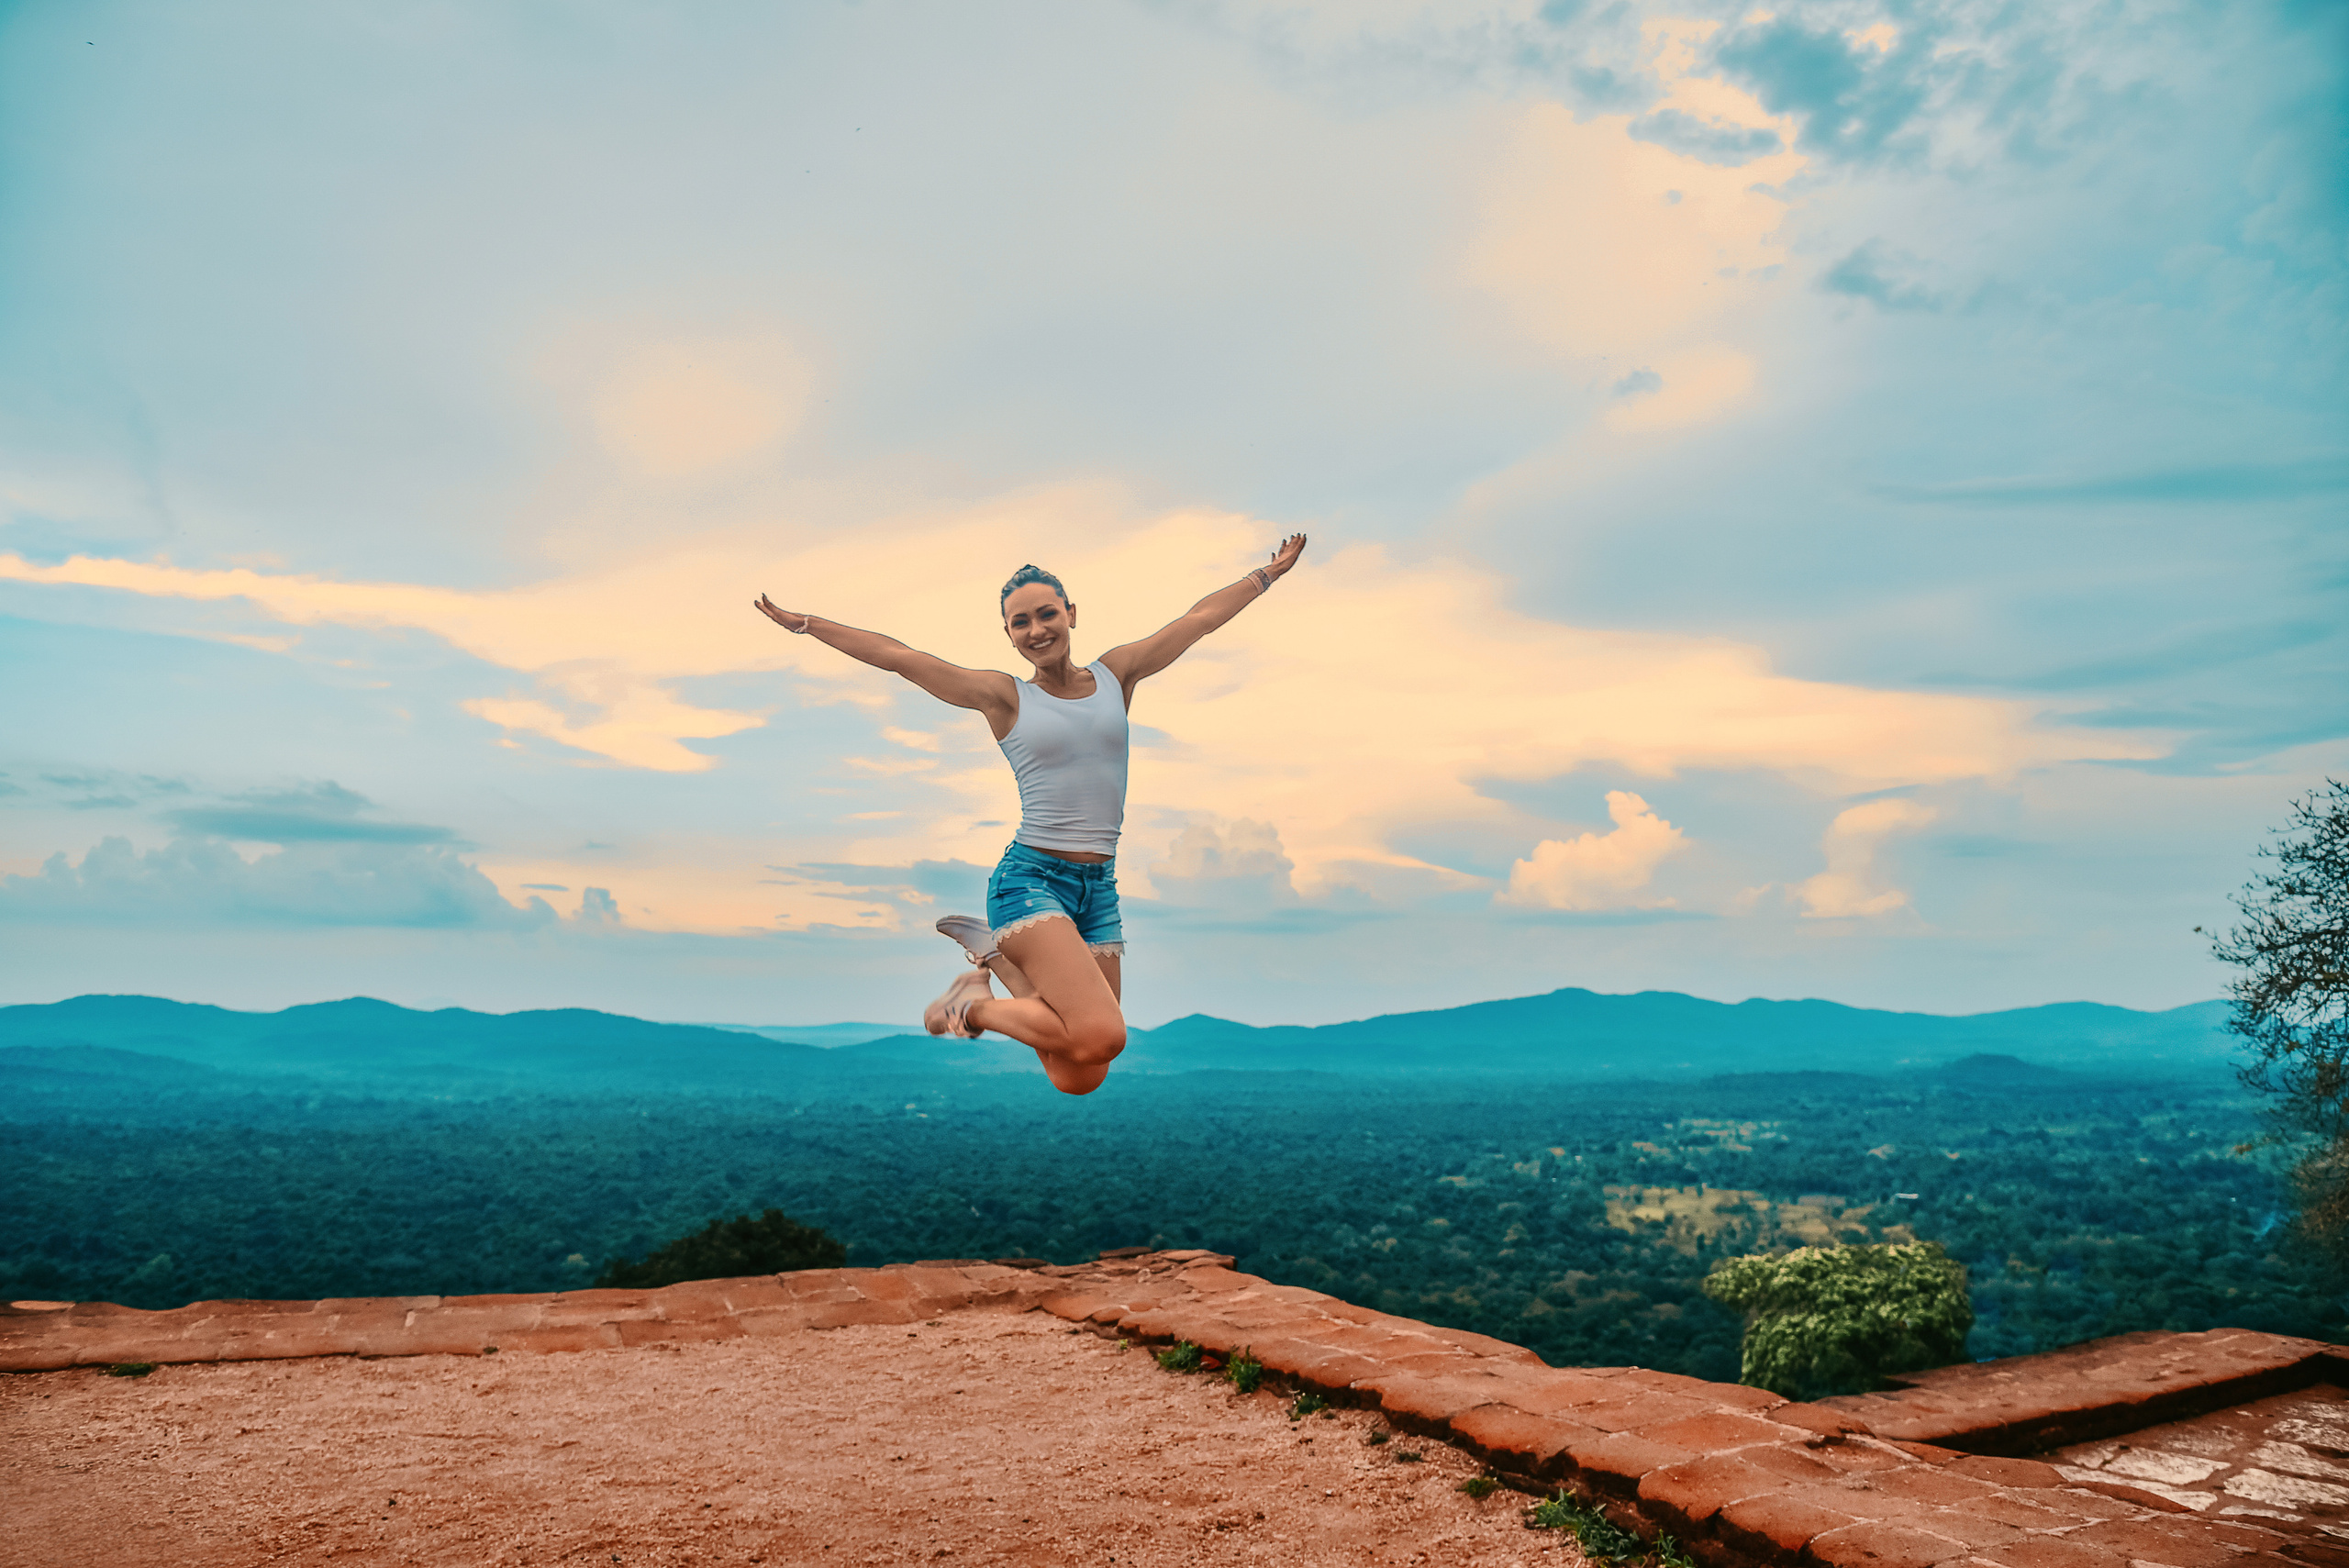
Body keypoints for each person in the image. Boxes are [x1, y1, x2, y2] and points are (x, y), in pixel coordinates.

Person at [753, 535, 1307, 1095]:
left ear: (1071, 614)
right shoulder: (1005, 697)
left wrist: (1267, 576)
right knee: (1103, 1035)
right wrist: (807, 624)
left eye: (1047, 614)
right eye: (1021, 622)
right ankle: (970, 1008)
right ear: (1009, 635)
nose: (1037, 630)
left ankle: (994, 960)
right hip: (1030, 882)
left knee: (1079, 1073)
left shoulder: (1117, 675)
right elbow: (901, 659)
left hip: (1098, 888)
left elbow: (1198, 621)